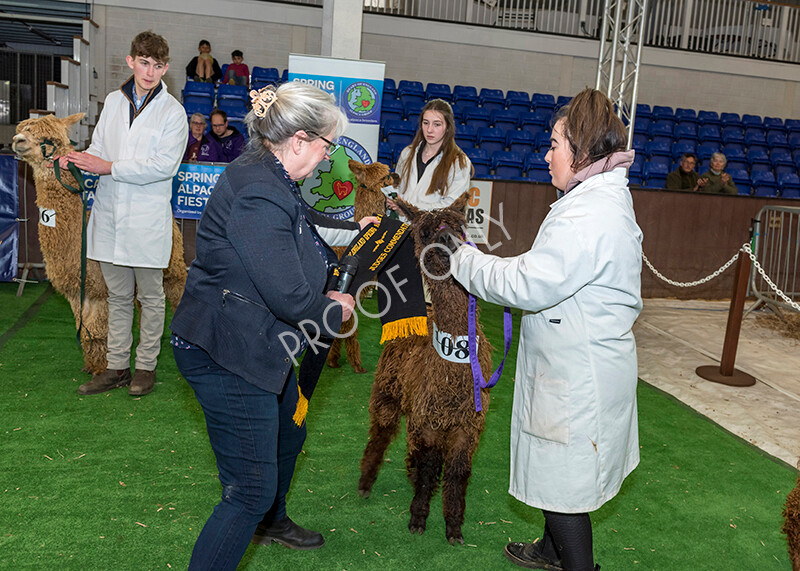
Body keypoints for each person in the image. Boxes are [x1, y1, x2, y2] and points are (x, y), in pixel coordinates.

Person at [170, 82, 377, 571]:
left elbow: (301, 227)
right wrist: (336, 310)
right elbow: (289, 296)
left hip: (256, 340)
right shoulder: (261, 188)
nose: (328, 158)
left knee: (290, 430)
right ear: (300, 140)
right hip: (229, 351)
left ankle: (273, 520)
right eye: (327, 146)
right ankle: (262, 512)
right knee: (248, 491)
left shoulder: (265, 171)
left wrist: (356, 230)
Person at [448, 88, 642, 571]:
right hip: (581, 361)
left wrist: (463, 259)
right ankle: (551, 549)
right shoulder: (593, 199)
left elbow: (529, 283)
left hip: (578, 375)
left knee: (564, 485)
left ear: (582, 150)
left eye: (555, 143)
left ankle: (576, 564)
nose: (547, 153)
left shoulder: (588, 214)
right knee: (557, 470)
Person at [57, 31, 187, 397]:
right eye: (144, 63)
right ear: (131, 61)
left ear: (166, 67)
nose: (150, 71)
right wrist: (78, 161)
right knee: (116, 297)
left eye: (158, 65)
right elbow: (98, 147)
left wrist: (107, 166)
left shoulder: (173, 111)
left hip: (146, 218)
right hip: (111, 213)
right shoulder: (114, 101)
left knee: (150, 297)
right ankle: (116, 367)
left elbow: (164, 166)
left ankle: (145, 367)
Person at [385, 98, 472, 215]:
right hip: (403, 227)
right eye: (426, 123)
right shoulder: (407, 153)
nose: (429, 130)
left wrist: (409, 210)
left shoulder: (459, 162)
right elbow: (398, 188)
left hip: (435, 230)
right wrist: (393, 201)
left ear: (448, 127)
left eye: (437, 124)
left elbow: (451, 206)